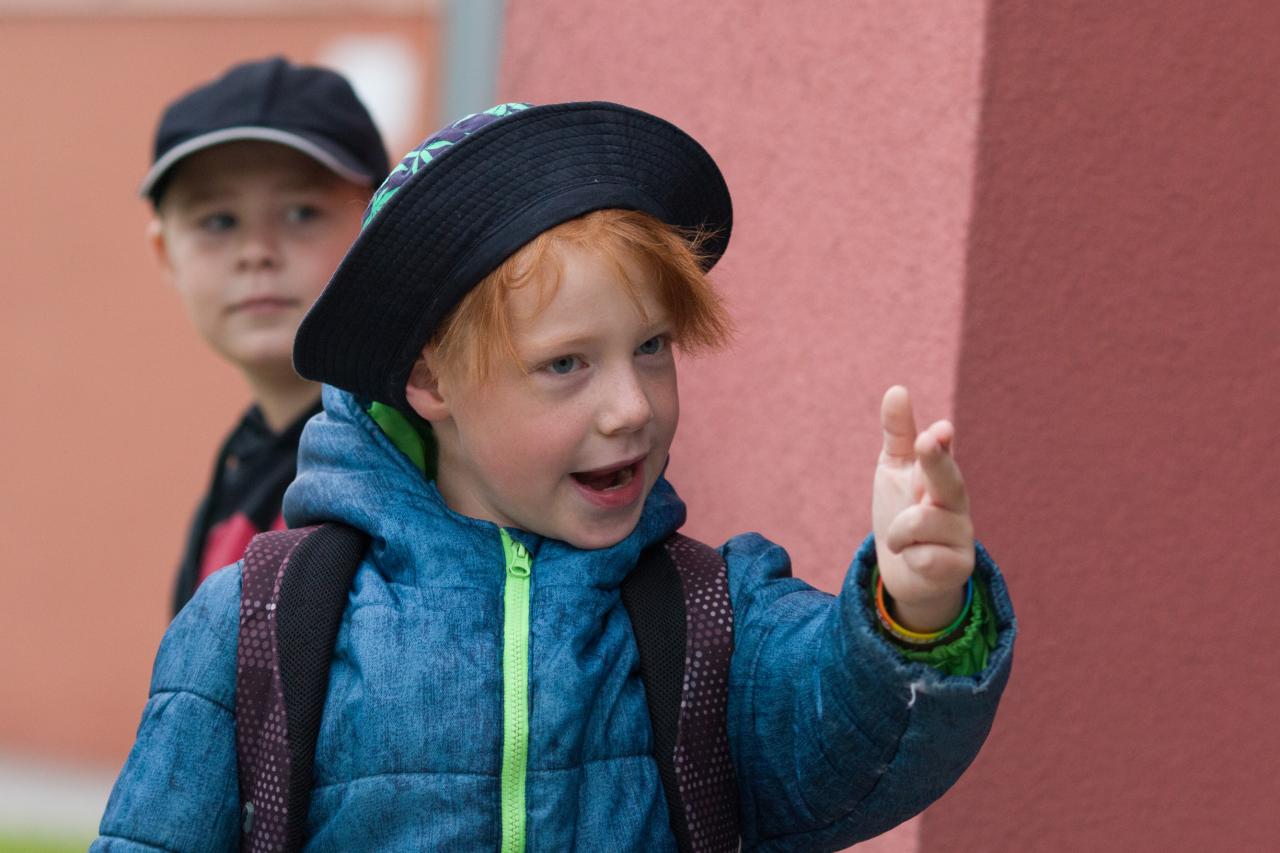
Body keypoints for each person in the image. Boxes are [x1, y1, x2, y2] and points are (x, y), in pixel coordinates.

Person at [95, 101, 1015, 851]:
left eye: (651, 347)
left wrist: (916, 606)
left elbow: (844, 742)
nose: (631, 407)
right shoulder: (260, 620)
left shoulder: (712, 615)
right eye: (566, 364)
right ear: (431, 380)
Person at [141, 56, 388, 615]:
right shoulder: (244, 466)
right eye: (219, 221)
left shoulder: (407, 456)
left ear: (378, 225)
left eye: (301, 213)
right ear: (165, 253)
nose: (257, 252)